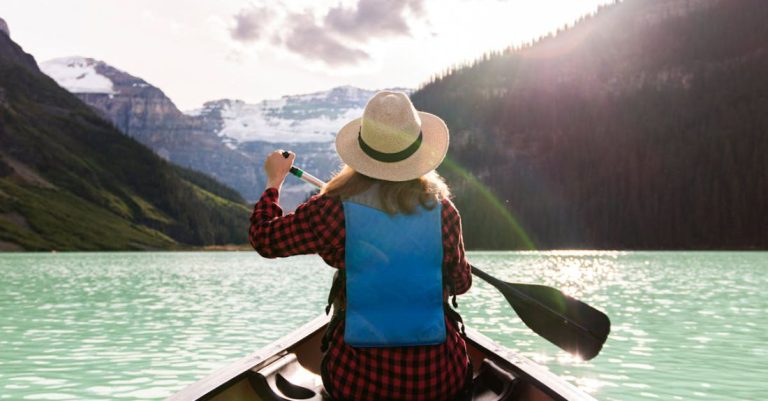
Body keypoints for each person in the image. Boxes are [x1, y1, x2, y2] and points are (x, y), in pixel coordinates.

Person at [249, 91, 472, 401]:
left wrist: (274, 182)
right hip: (438, 379)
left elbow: (264, 239)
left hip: (358, 382)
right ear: (417, 152)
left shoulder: (331, 209)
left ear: (362, 153)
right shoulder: (444, 211)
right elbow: (461, 283)